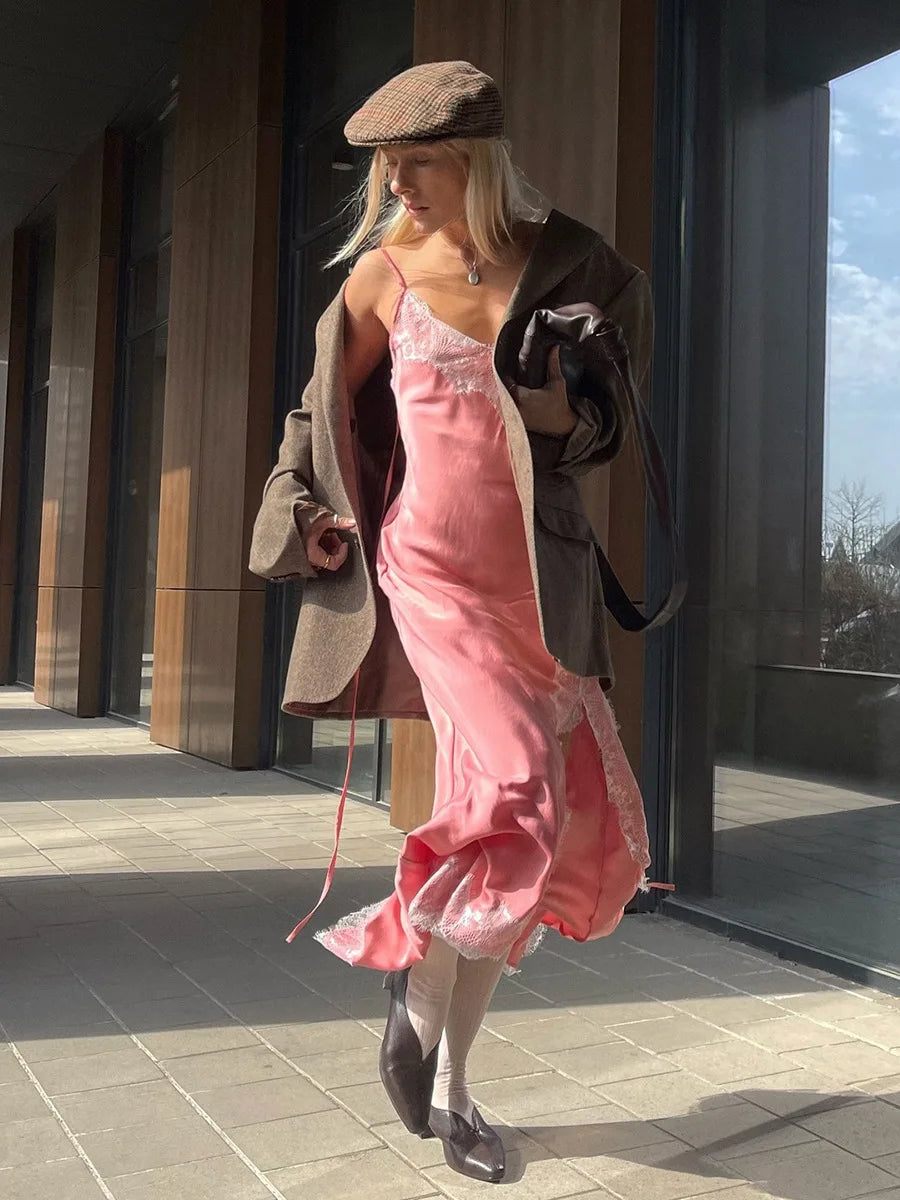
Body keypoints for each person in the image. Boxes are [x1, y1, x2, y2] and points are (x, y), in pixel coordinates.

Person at [250, 60, 658, 1184]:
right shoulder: (381, 275)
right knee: (519, 793)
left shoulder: (579, 264)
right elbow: (316, 407)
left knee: (526, 835)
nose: (397, 186)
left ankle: (456, 1084)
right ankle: (414, 999)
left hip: (540, 583)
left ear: (478, 158)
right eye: (384, 167)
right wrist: (303, 511)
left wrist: (551, 397)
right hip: (428, 573)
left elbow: (607, 435)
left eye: (418, 162)